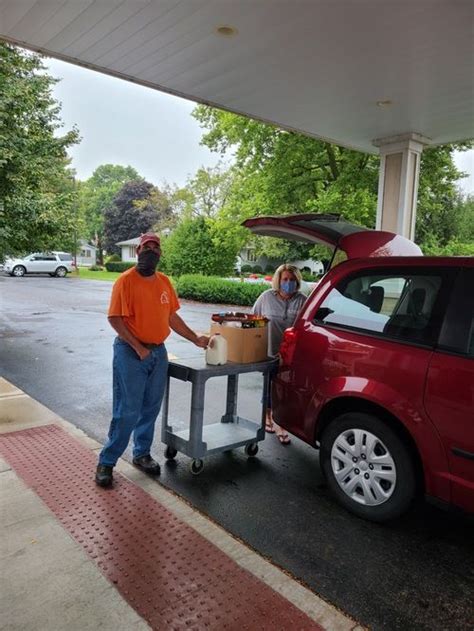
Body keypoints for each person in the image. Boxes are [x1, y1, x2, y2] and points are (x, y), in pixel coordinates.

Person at [95, 232, 209, 487]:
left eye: (156, 248)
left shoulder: (164, 282)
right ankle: (107, 461)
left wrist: (195, 338)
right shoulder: (125, 281)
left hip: (158, 352)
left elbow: (171, 317)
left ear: (160, 254)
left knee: (150, 407)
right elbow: (115, 318)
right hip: (130, 352)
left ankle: (141, 454)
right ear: (138, 251)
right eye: (147, 247)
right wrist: (137, 347)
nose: (152, 251)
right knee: (127, 410)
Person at [251, 264, 306, 445]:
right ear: (278, 280)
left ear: (297, 282)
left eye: (292, 280)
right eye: (285, 279)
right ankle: (267, 416)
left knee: (285, 389)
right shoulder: (266, 297)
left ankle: (281, 422)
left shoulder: (302, 300)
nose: (288, 283)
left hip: (291, 355)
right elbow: (254, 320)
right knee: (269, 385)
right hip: (269, 351)